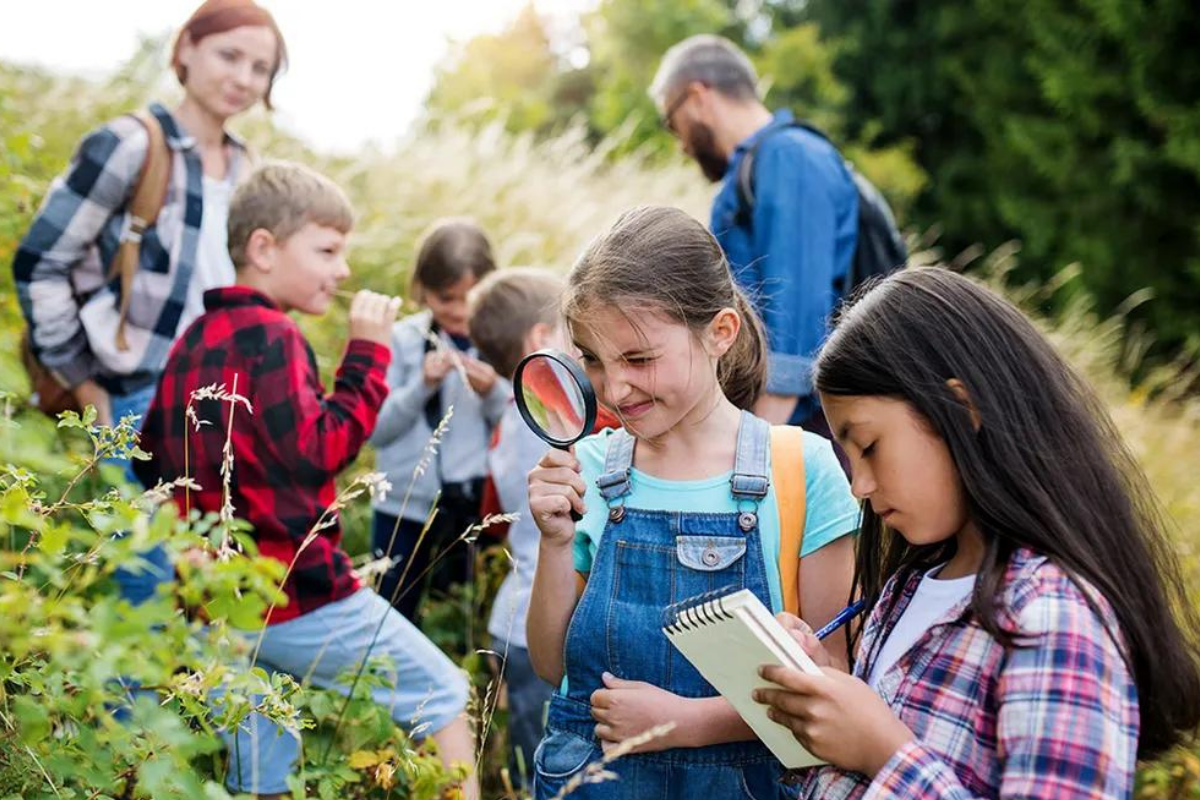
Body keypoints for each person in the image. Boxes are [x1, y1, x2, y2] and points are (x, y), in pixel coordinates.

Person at [753, 268, 1200, 799]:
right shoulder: (908, 587)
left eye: (869, 446)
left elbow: (888, 748)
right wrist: (826, 687)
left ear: (962, 411)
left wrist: (884, 751)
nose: (861, 486)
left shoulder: (1051, 618)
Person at [133, 162, 478, 800]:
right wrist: (369, 353)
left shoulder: (194, 339)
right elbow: (320, 452)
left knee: (261, 758)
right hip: (297, 592)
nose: (343, 271)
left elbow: (148, 460)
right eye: (327, 250)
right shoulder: (274, 336)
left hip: (219, 599)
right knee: (444, 695)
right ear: (263, 248)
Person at [525, 206, 860, 799]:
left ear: (719, 333)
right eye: (593, 360)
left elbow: (833, 675)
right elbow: (554, 668)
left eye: (638, 358)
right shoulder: (594, 466)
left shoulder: (800, 468)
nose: (614, 388)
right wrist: (554, 543)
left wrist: (690, 722)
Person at [12, 0, 287, 604]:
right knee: (150, 586)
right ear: (186, 48)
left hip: (221, 405)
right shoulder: (131, 145)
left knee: (214, 590)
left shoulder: (250, 170)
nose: (244, 77)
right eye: (230, 55)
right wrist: (88, 389)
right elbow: (40, 264)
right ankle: (125, 702)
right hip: (137, 396)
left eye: (261, 67)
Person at [649, 34, 858, 433]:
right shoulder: (755, 168)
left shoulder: (788, 156)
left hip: (801, 428)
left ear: (698, 97)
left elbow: (795, 322)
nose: (680, 145)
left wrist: (755, 451)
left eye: (671, 123)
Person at [370, 218, 509, 622]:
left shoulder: (502, 343)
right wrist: (421, 386)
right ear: (423, 292)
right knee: (391, 613)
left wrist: (493, 393)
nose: (461, 313)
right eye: (447, 298)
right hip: (403, 507)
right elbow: (377, 431)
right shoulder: (401, 340)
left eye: (472, 298)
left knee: (468, 616)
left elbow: (521, 427)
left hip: (476, 508)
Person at [466, 267, 571, 789]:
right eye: (571, 331)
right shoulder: (554, 420)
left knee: (535, 752)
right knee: (547, 769)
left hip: (514, 615)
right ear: (540, 341)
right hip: (538, 624)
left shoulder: (510, 417)